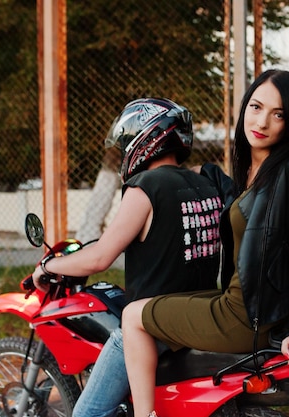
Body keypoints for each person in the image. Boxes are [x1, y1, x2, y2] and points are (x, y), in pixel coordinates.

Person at [121, 69, 289, 417]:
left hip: (246, 316)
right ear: (244, 109)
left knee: (132, 315)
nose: (262, 121)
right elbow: (242, 209)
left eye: (278, 114)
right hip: (242, 302)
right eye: (256, 107)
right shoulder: (251, 170)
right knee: (155, 304)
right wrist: (200, 178)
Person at [31, 97, 223, 417]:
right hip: (197, 317)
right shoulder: (205, 183)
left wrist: (48, 266)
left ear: (145, 137)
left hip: (151, 328)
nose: (123, 149)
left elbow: (99, 259)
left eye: (125, 141)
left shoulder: (145, 187)